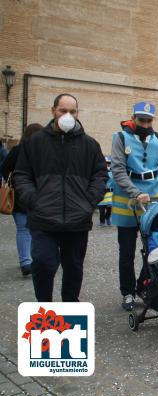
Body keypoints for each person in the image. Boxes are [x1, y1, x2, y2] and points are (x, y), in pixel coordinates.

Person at [13, 93, 108, 301]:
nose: (67, 115)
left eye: (72, 111)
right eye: (62, 110)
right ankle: (45, 308)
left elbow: (100, 175)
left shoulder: (90, 145)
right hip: (43, 219)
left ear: (77, 113)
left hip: (77, 220)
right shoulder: (35, 142)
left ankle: (69, 308)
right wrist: (33, 200)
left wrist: (88, 202)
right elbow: (21, 175)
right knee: (43, 264)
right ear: (53, 111)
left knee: (74, 269)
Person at [111, 101, 158, 311]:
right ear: (134, 118)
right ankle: (127, 292)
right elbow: (118, 170)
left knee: (155, 248)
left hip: (154, 199)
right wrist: (136, 193)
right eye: (142, 120)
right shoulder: (120, 138)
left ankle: (143, 285)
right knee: (126, 252)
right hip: (128, 201)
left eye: (149, 121)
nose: (146, 125)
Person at [1, 123, 43, 276]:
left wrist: (12, 182)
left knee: (23, 229)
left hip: (18, 195)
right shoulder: (42, 152)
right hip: (39, 195)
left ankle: (26, 261)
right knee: (37, 229)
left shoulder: (17, 151)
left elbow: (4, 168)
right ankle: (34, 260)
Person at [98, 156, 114, 227]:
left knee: (109, 208)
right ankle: (102, 221)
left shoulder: (113, 173)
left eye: (108, 163)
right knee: (102, 208)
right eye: (106, 163)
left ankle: (107, 218)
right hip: (101, 192)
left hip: (110, 193)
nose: (107, 165)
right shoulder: (99, 172)